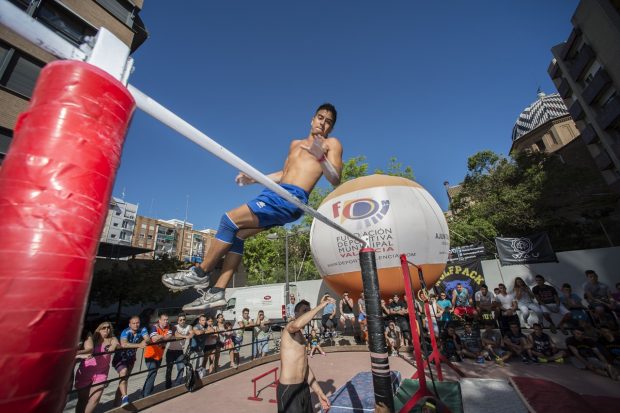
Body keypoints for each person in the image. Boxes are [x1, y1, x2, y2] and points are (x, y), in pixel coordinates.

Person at [162, 104, 343, 311]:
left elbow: (335, 178)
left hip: (290, 198)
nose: (323, 123)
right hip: (276, 193)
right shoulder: (295, 144)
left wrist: (321, 157)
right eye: (320, 118)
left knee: (228, 220)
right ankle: (217, 292)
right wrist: (255, 179)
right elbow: (284, 174)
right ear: (312, 119)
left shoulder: (331, 144)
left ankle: (200, 273)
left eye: (328, 122)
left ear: (331, 128)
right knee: (237, 234)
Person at [278, 297, 333, 412]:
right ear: (296, 313)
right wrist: (320, 306)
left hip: (303, 388)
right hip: (289, 390)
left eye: (308, 310)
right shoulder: (289, 327)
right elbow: (295, 325)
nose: (307, 313)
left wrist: (319, 392)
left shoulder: (302, 337)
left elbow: (305, 368)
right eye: (304, 311)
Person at [74, 322, 120, 413]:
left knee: (95, 399)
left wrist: (113, 346)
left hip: (101, 373)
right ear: (99, 329)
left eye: (108, 327)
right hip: (86, 371)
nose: (107, 329)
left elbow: (117, 344)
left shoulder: (112, 339)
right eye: (104, 328)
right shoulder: (92, 339)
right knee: (82, 400)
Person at [112, 316, 149, 407]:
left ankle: (117, 404)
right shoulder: (126, 331)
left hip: (131, 358)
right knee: (123, 374)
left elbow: (147, 338)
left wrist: (146, 341)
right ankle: (125, 397)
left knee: (124, 380)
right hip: (120, 357)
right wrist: (139, 344)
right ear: (129, 324)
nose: (136, 325)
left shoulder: (142, 329)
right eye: (134, 323)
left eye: (138, 323)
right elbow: (124, 344)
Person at [142, 313, 172, 397]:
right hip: (150, 355)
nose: (166, 321)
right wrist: (163, 337)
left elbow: (168, 337)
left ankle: (144, 392)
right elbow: (154, 339)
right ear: (159, 320)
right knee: (152, 373)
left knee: (152, 374)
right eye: (164, 320)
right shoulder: (154, 327)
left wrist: (161, 337)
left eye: (167, 320)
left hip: (159, 356)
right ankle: (146, 395)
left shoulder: (168, 327)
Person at [165, 313, 192, 389]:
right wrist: (186, 336)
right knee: (169, 369)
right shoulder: (174, 327)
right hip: (170, 350)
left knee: (181, 367)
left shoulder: (188, 326)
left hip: (180, 351)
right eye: (180, 320)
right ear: (178, 321)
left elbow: (192, 333)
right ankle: (168, 386)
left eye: (184, 319)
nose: (182, 321)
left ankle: (177, 383)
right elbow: (176, 335)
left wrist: (190, 335)